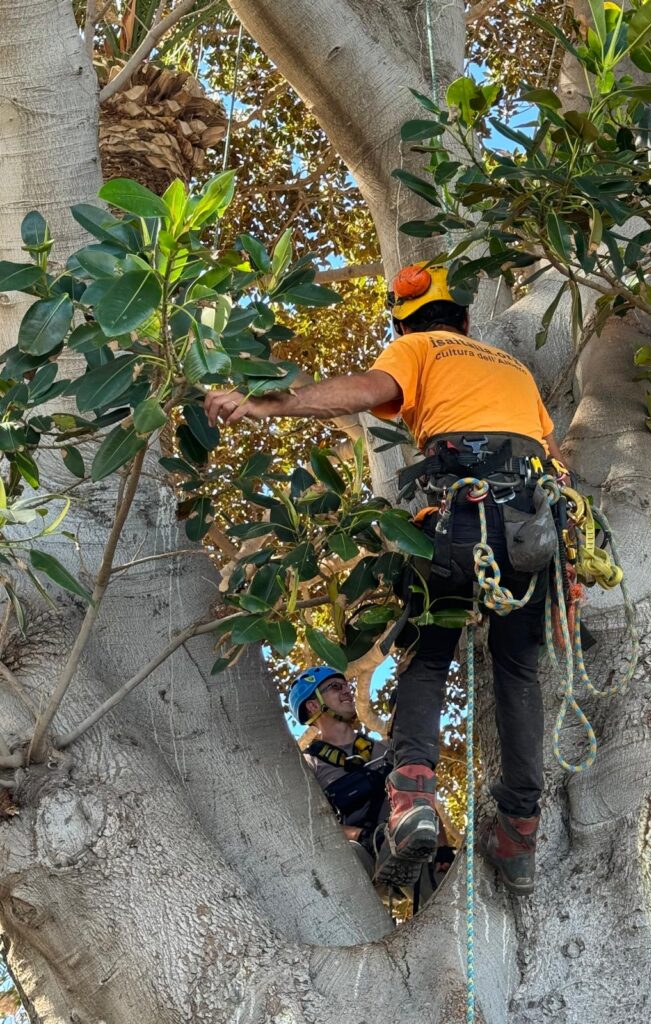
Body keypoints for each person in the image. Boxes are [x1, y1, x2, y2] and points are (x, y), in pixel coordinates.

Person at [205, 262, 569, 896]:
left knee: (428, 658)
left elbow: (363, 389)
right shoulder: (517, 372)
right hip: (532, 536)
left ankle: (412, 800)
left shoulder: (417, 347)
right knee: (517, 671)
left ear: (406, 325)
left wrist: (265, 404)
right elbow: (556, 463)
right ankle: (519, 827)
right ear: (464, 319)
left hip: (460, 526)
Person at [289, 665, 454, 890]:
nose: (347, 691)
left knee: (442, 876)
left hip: (409, 845)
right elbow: (314, 824)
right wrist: (363, 836)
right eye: (336, 687)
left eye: (347, 685)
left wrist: (443, 846)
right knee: (351, 853)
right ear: (313, 705)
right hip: (363, 857)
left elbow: (420, 796)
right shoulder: (310, 765)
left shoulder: (385, 750)